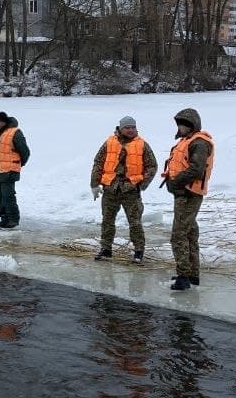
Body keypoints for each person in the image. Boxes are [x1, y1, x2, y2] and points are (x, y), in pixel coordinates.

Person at [160, 108, 214, 291]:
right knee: (190, 233)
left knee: (179, 234)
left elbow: (196, 170)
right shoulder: (187, 141)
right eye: (179, 123)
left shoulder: (199, 143)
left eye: (184, 124)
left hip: (189, 194)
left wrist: (175, 182)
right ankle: (192, 274)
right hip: (184, 193)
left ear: (192, 125)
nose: (181, 127)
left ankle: (184, 276)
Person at [91, 115, 158, 262]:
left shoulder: (142, 145)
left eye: (133, 127)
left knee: (135, 222)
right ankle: (106, 249)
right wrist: (94, 184)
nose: (130, 130)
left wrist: (142, 183)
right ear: (120, 129)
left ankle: (139, 251)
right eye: (127, 127)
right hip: (110, 188)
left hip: (131, 190)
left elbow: (152, 166)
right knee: (107, 221)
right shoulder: (109, 143)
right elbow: (98, 163)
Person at [0, 110, 31, 229]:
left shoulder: (15, 132)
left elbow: (25, 152)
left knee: (8, 196)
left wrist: (17, 164)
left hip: (10, 170)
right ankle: (4, 218)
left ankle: (13, 219)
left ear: (5, 122)